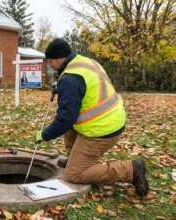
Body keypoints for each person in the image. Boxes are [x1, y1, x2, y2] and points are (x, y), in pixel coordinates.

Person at [35, 38, 149, 197]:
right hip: (110, 117)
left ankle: (131, 169)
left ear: (60, 58)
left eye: (51, 61)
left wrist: (44, 135)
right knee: (69, 130)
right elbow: (85, 88)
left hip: (102, 129)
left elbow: (65, 119)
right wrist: (62, 87)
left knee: (73, 174)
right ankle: (75, 159)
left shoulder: (69, 79)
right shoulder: (84, 62)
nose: (50, 65)